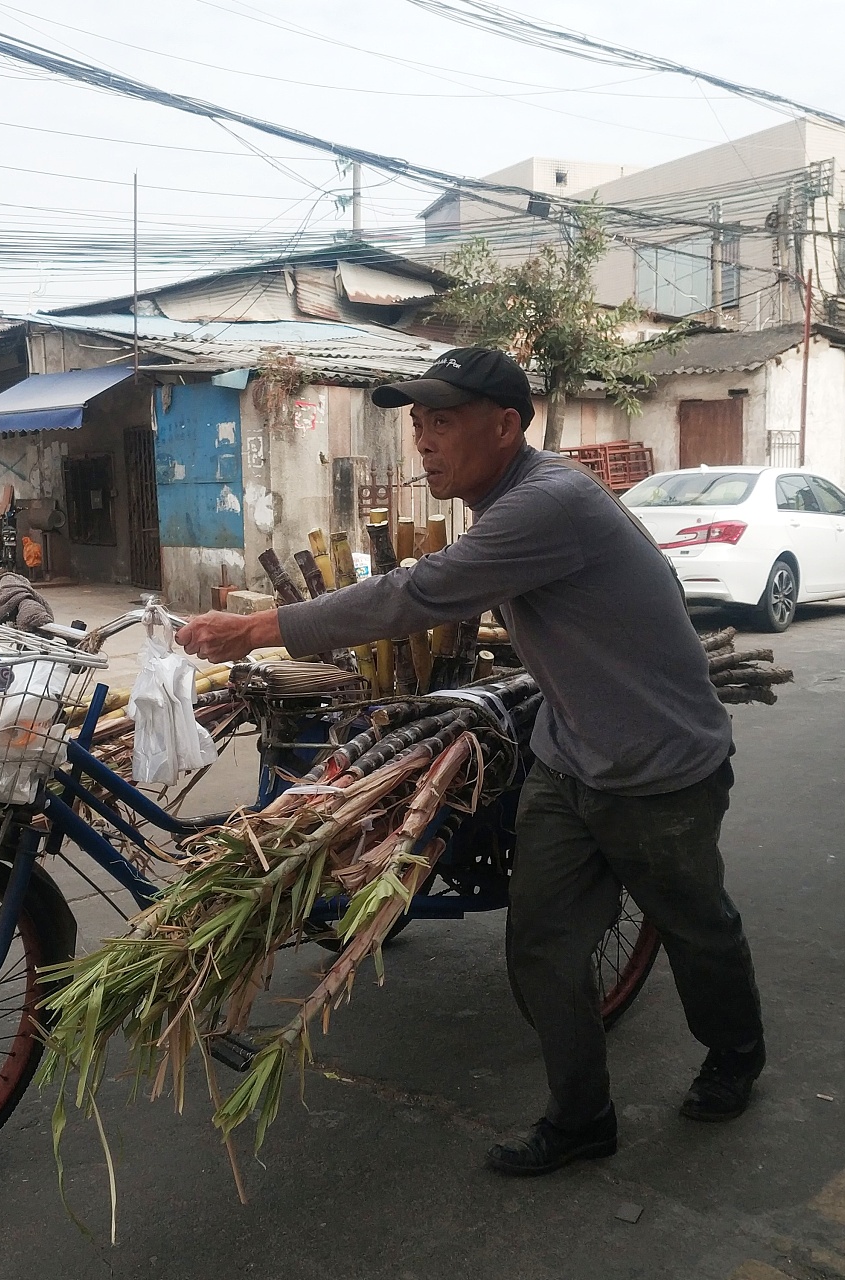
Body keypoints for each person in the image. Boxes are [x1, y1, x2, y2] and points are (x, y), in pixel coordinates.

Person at [177, 346, 765, 1176]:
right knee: (542, 947)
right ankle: (582, 1119)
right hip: (569, 755)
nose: (423, 439)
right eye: (418, 422)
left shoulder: (548, 502)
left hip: (659, 764)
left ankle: (736, 1053)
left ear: (506, 426)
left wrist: (253, 629)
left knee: (696, 925)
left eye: (442, 422)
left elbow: (415, 595)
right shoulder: (510, 503)